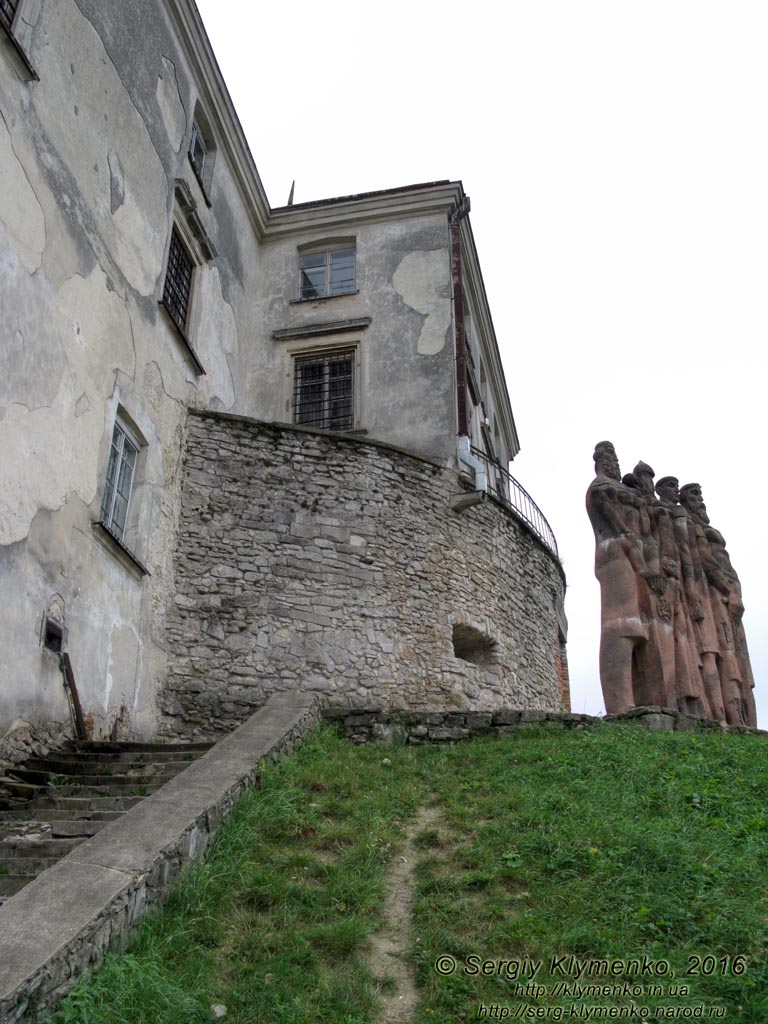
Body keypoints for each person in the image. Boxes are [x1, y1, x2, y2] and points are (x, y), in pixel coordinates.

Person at [586, 442, 666, 713]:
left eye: (615, 459)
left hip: (636, 558)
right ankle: (620, 704)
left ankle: (646, 700)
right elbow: (622, 532)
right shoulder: (600, 489)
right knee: (621, 624)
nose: (614, 464)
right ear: (598, 462)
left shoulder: (623, 490)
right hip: (617, 556)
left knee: (643, 629)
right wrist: (643, 566)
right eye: (608, 459)